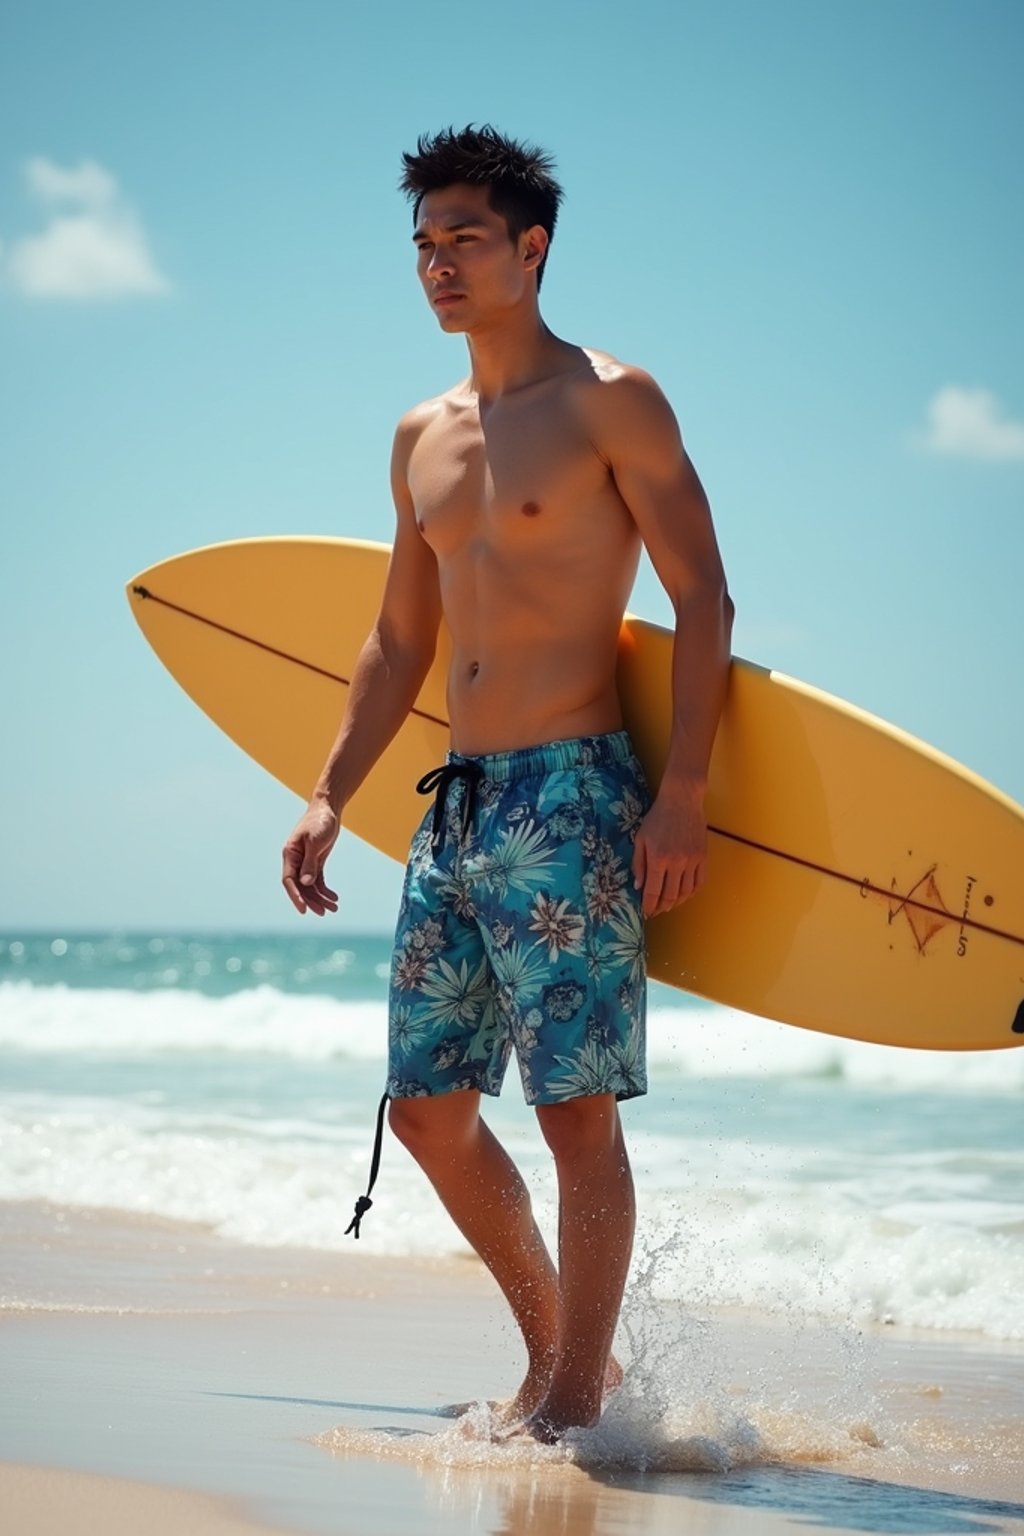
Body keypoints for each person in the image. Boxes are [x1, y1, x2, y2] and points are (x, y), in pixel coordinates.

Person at [281, 124, 733, 1443]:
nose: (438, 266)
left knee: (573, 1112)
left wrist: (683, 789)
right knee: (425, 1113)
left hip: (575, 797)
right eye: (423, 245)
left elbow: (702, 593)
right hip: (458, 803)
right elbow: (398, 639)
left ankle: (577, 1399)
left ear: (530, 249)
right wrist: (327, 794)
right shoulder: (423, 434)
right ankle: (554, 1358)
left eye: (463, 240)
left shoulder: (614, 401)